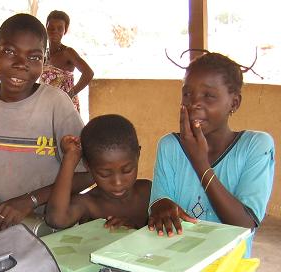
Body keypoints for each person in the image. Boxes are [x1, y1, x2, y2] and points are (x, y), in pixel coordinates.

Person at [0, 13, 93, 232]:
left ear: (45, 60)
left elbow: (88, 173)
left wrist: (29, 201)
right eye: (9, 52)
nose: (21, 64)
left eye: (34, 57)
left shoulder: (56, 104)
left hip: (48, 227)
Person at [148, 52, 275, 239]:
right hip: (178, 265)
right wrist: (161, 207)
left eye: (208, 95)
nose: (194, 104)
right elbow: (160, 204)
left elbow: (244, 225)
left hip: (229, 267)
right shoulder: (170, 146)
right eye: (187, 94)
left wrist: (201, 163)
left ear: (234, 103)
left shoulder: (256, 146)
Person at [46, 114, 151, 230]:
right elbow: (56, 220)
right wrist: (70, 158)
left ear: (138, 155)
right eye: (105, 174)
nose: (118, 183)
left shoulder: (149, 192)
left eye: (127, 171)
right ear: (88, 166)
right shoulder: (88, 204)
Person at [39, 10, 94, 112]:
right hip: (47, 105)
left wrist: (71, 93)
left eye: (60, 28)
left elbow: (88, 73)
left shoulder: (68, 53)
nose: (55, 31)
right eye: (51, 28)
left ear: (65, 30)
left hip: (64, 106)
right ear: (46, 28)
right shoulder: (43, 53)